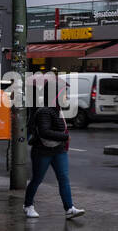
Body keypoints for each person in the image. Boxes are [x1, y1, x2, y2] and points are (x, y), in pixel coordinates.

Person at [24, 84, 84, 219]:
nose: (66, 96)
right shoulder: (45, 111)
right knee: (37, 179)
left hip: (58, 149)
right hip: (42, 151)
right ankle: (28, 205)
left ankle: (69, 208)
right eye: (63, 94)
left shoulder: (57, 109)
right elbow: (45, 132)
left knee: (63, 178)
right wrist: (65, 137)